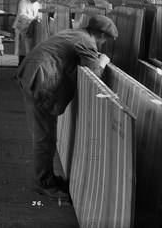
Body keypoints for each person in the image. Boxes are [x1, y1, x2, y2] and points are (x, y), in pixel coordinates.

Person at [15, 15, 118, 202]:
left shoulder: (75, 33)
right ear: (100, 34)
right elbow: (93, 75)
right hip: (39, 81)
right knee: (44, 137)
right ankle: (43, 183)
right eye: (105, 40)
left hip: (32, 75)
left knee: (46, 136)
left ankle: (47, 177)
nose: (103, 44)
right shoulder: (87, 41)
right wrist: (102, 61)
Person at [12, 0, 43, 65]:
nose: (36, 1)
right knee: (22, 47)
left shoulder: (37, 4)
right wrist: (33, 18)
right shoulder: (23, 2)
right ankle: (21, 64)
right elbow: (22, 14)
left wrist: (38, 18)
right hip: (21, 26)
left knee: (28, 46)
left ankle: (27, 64)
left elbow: (39, 14)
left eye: (37, 0)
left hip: (31, 27)